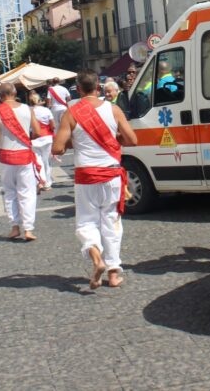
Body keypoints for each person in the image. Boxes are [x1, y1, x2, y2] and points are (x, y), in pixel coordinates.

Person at [52, 70, 137, 289]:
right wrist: (113, 137)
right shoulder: (114, 109)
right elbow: (132, 140)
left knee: (87, 222)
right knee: (111, 221)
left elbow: (57, 148)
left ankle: (97, 259)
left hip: (87, 176)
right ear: (98, 87)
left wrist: (75, 140)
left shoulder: (71, 113)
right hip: (111, 174)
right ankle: (114, 273)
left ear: (79, 89)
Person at [0, 82, 40, 241]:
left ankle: (15, 227)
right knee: (27, 192)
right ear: (15, 93)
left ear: (1, 95)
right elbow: (37, 132)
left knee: (10, 192)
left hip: (6, 156)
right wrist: (26, 140)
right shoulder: (27, 109)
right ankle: (28, 229)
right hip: (24, 156)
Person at [29, 92, 55, 191]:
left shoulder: (28, 111)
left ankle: (40, 180)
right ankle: (47, 183)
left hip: (34, 138)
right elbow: (53, 125)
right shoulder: (46, 110)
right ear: (39, 100)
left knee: (38, 162)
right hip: (47, 138)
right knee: (46, 161)